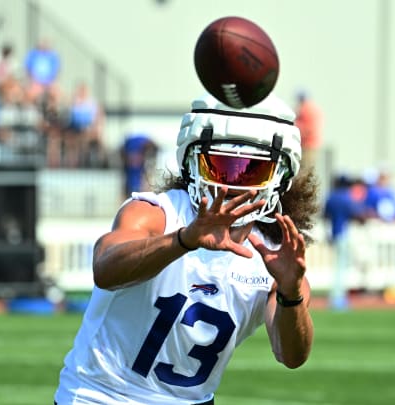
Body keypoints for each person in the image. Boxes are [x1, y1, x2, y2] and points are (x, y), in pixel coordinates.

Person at [55, 92, 318, 404]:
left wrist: (291, 293)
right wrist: (182, 240)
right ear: (191, 162)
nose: (232, 184)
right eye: (219, 167)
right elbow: (105, 269)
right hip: (100, 397)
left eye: (252, 171)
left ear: (279, 178)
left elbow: (291, 355)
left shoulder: (273, 257)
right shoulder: (157, 214)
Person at [323, 173, 366, 310]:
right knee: (341, 268)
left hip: (332, 233)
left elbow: (325, 215)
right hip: (342, 233)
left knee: (338, 266)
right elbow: (356, 213)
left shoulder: (331, 197)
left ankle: (337, 296)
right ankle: (338, 298)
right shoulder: (346, 197)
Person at [293, 89, 323, 172]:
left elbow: (308, 129)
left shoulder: (306, 109)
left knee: (304, 170)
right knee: (307, 169)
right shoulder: (313, 108)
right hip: (312, 145)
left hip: (307, 145)